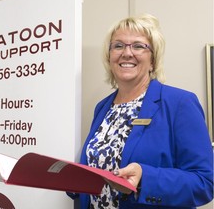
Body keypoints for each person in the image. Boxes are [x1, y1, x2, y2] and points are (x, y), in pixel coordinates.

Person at [69, 14, 213, 208]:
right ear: (109, 57)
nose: (127, 53)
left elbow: (204, 182)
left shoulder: (180, 103)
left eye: (138, 46)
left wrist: (146, 178)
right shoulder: (102, 107)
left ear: (153, 60)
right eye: (118, 46)